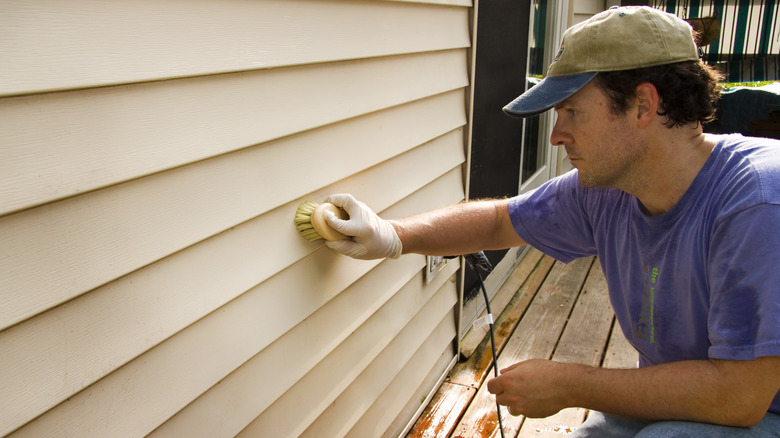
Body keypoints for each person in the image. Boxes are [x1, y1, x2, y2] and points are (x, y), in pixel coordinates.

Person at [320, 6, 780, 437]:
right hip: (697, 398)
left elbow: (741, 395)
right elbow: (500, 221)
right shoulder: (608, 188)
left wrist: (571, 384)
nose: (557, 134)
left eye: (572, 111)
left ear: (643, 105)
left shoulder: (757, 202)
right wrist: (392, 235)